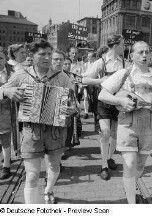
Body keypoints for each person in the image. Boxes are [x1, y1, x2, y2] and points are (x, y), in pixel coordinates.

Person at [0, 39, 78, 204]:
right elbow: (2, 89)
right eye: (42, 54)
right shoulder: (22, 74)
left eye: (49, 54)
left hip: (56, 131)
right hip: (30, 130)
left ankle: (48, 190)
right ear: (32, 55)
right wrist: (8, 91)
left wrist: (72, 109)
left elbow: (74, 102)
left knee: (54, 167)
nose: (47, 58)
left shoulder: (61, 76)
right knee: (32, 175)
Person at [98, 41, 152, 204]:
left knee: (140, 167)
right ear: (132, 55)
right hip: (127, 123)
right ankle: (131, 202)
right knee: (129, 164)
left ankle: (129, 184)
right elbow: (102, 95)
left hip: (149, 124)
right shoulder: (124, 73)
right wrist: (120, 101)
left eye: (147, 52)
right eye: (140, 52)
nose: (144, 55)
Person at [82, 34, 125, 180]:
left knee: (114, 133)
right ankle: (104, 165)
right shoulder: (101, 62)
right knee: (105, 132)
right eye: (123, 44)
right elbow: (85, 79)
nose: (124, 47)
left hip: (118, 102)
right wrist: (101, 80)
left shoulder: (124, 62)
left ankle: (110, 157)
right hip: (104, 101)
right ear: (115, 45)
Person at [0, 49, 13, 180]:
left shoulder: (11, 75)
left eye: (1, 58)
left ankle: (7, 166)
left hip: (5, 112)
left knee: (5, 140)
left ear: (5, 59)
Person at [82, 52, 97, 119]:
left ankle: (94, 112)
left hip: (94, 83)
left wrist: (87, 74)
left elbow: (96, 74)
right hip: (86, 83)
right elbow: (82, 73)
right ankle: (86, 112)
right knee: (85, 97)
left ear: (93, 57)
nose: (88, 58)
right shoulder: (85, 65)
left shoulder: (96, 64)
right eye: (88, 56)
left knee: (94, 98)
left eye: (89, 56)